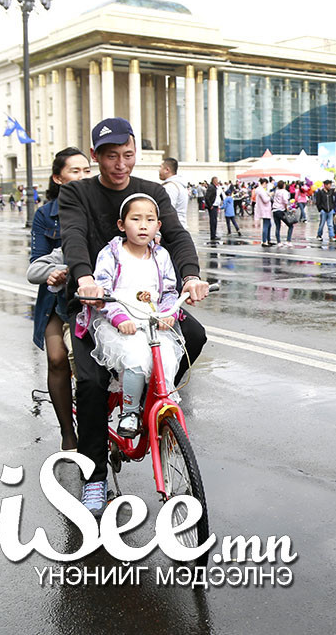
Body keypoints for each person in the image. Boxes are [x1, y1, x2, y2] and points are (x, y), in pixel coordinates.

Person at [59, 117, 209, 515]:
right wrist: (85, 277)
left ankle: (145, 402)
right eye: (111, 156)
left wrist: (190, 277)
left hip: (150, 308)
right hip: (98, 304)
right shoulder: (77, 193)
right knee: (90, 384)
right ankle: (93, 477)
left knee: (194, 336)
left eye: (127, 155)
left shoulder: (151, 192)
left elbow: (176, 236)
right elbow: (73, 235)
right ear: (96, 156)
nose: (120, 164)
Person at [79, 193, 184, 439]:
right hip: (120, 324)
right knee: (135, 358)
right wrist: (118, 318)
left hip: (152, 322)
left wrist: (168, 313)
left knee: (166, 358)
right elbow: (102, 290)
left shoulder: (161, 255)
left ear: (158, 226)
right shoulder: (112, 253)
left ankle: (162, 408)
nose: (143, 225)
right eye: (136, 219)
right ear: (121, 224)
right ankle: (130, 412)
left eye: (150, 220)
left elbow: (170, 291)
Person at [27, 147, 91, 453]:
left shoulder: (99, 203)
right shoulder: (45, 214)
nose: (82, 176)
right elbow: (36, 264)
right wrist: (56, 273)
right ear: (58, 177)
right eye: (74, 171)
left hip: (97, 297)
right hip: (59, 299)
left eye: (86, 171)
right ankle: (68, 433)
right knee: (56, 359)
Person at [159, 157, 189, 228]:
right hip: (180, 225)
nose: (159, 170)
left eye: (160, 167)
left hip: (172, 228)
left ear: (167, 170)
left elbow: (167, 211)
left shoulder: (170, 187)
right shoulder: (180, 185)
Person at [271, 180, 294, 245]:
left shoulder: (276, 191)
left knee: (277, 227)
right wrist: (287, 207)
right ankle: (288, 241)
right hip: (281, 210)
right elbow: (285, 201)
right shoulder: (284, 192)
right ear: (284, 185)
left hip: (275, 210)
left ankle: (279, 242)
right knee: (290, 225)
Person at [315, 179, 336, 243]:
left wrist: (332, 208)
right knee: (322, 224)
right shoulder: (320, 192)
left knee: (330, 224)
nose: (330, 186)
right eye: (329, 185)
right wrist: (320, 209)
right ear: (325, 185)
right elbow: (318, 202)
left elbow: (333, 200)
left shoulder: (331, 192)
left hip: (330, 210)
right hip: (323, 210)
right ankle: (319, 235)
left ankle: (331, 236)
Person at [204, 177, 223, 242]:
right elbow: (207, 197)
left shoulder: (215, 187)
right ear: (214, 181)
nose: (218, 182)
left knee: (215, 221)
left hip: (215, 206)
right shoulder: (211, 187)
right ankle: (213, 235)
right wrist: (210, 205)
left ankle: (214, 234)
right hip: (213, 206)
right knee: (213, 221)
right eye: (217, 181)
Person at [255, 178, 273, 246]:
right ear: (264, 183)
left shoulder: (261, 190)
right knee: (266, 225)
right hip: (264, 210)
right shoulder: (261, 190)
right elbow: (265, 200)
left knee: (269, 225)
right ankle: (264, 241)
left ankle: (268, 240)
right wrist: (270, 196)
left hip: (265, 209)